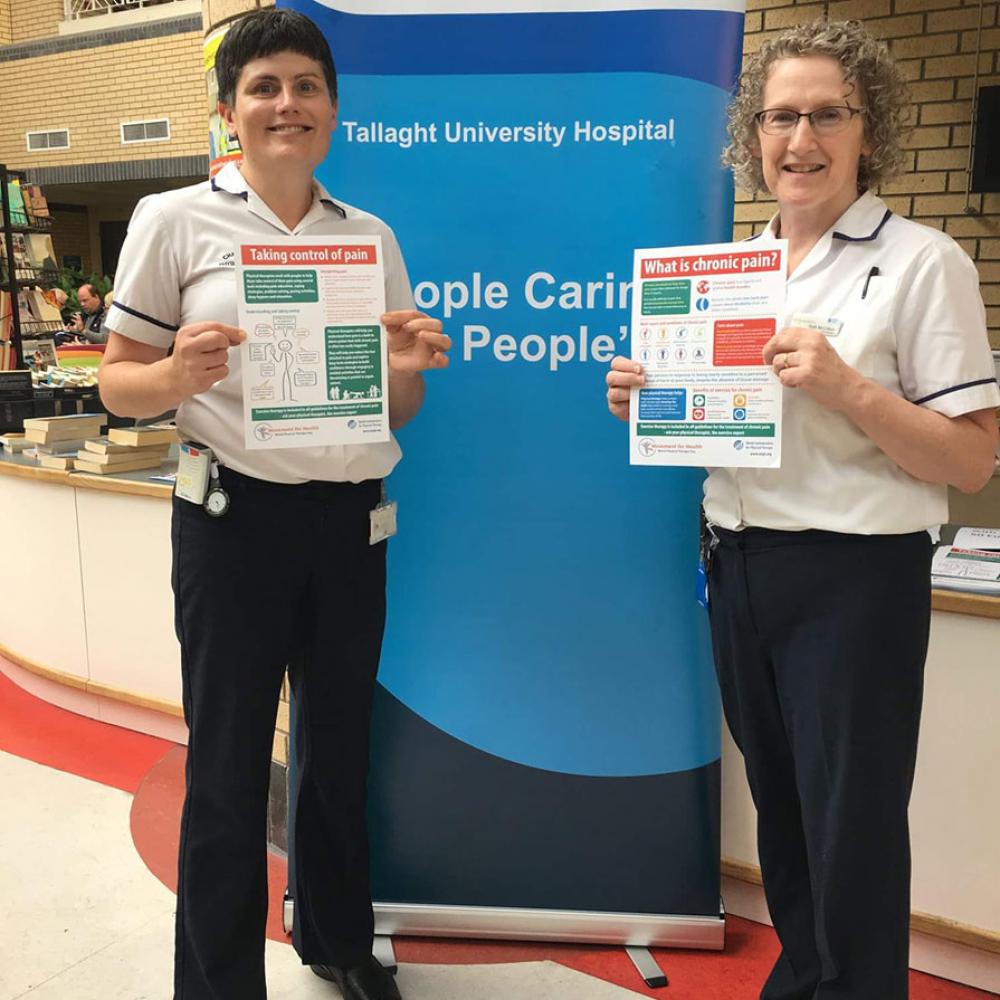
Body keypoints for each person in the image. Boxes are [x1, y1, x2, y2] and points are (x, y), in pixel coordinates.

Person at [605, 19, 998, 1000]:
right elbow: (730, 432)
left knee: (849, 820)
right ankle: (808, 976)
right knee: (779, 805)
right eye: (779, 116)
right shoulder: (733, 269)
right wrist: (650, 398)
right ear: (751, 136)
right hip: (738, 563)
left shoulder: (920, 262)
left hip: (853, 576)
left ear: (870, 131)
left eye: (828, 113)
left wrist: (850, 388)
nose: (800, 138)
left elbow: (972, 456)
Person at [98, 9, 450, 1000]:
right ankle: (215, 984)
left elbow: (399, 402)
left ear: (333, 110)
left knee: (338, 752)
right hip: (232, 525)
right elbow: (118, 386)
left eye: (304, 85)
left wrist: (409, 366)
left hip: (348, 524)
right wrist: (173, 370)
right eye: (263, 87)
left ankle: (338, 939)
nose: (285, 103)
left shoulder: (366, 237)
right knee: (225, 766)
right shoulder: (175, 222)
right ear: (228, 112)